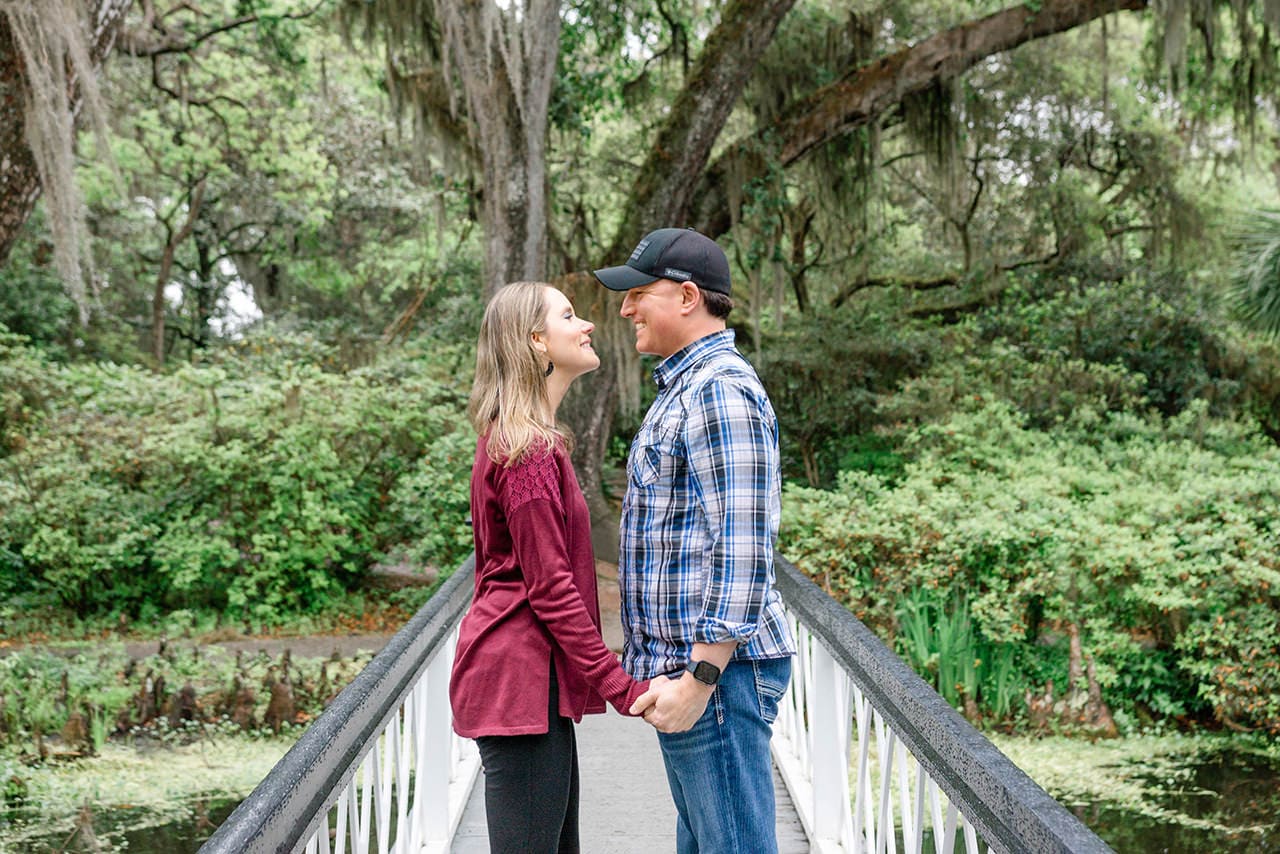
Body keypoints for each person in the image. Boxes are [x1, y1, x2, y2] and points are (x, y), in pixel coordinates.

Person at [593, 228, 797, 854]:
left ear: (686, 296)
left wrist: (700, 677)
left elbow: (742, 546)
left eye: (637, 295)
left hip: (717, 677)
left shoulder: (719, 391)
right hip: (693, 673)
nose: (625, 309)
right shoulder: (683, 388)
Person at [449, 281, 652, 854]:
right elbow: (550, 589)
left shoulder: (524, 441)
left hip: (533, 683)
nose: (587, 324)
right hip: (519, 678)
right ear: (536, 341)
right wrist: (619, 685)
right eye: (569, 315)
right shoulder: (527, 451)